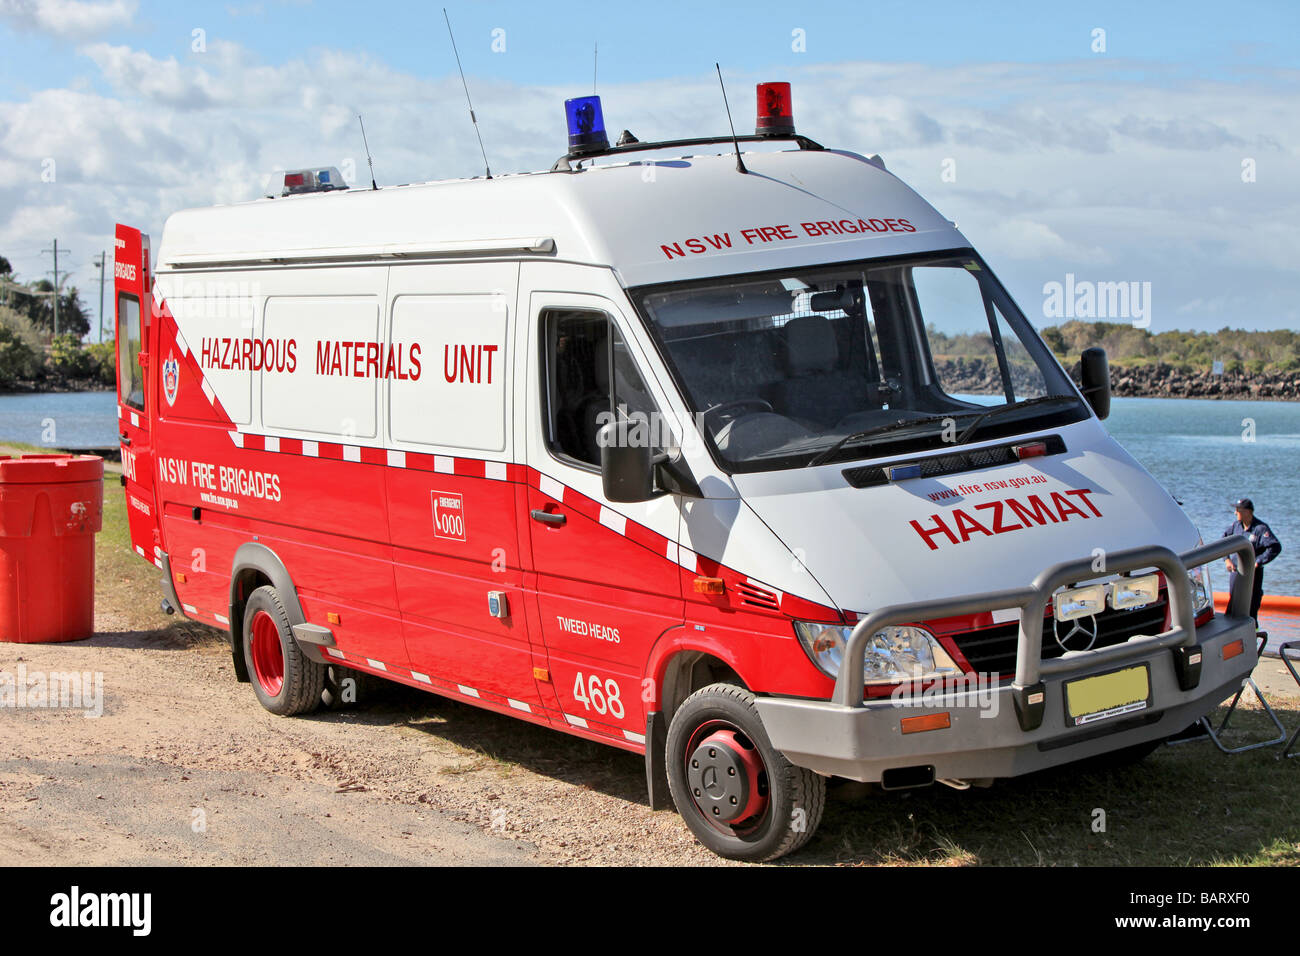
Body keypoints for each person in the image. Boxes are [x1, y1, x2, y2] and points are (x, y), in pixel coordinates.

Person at [1222, 498, 1282, 625]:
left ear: (1248, 512)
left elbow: (1275, 547)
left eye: (1238, 510)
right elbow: (1222, 542)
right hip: (1236, 572)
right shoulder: (1235, 526)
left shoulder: (1260, 529)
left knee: (1251, 609)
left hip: (1253, 575)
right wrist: (1227, 559)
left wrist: (1258, 562)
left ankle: (1253, 637)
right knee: (1233, 606)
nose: (1235, 513)